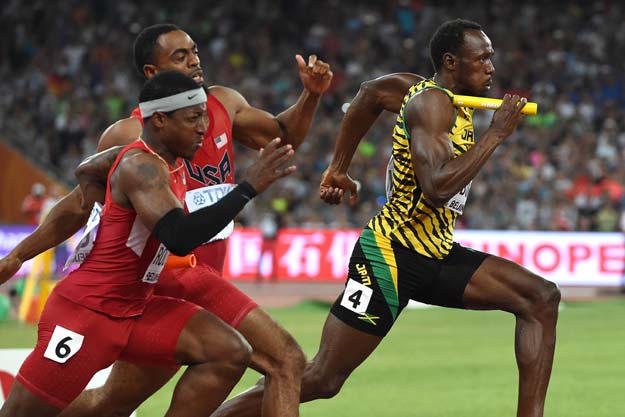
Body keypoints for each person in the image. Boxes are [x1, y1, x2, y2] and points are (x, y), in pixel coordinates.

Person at [211, 19, 560, 417]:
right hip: (390, 256)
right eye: (481, 58)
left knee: (540, 297)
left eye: (491, 58)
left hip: (434, 252)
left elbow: (369, 94)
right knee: (323, 378)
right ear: (451, 62)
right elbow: (437, 187)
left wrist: (338, 167)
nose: (491, 67)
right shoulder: (430, 103)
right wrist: (496, 135)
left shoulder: (414, 89)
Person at [0, 23, 332, 417]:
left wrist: (310, 96)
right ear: (152, 76)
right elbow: (86, 204)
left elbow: (279, 137)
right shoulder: (133, 144)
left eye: (194, 51)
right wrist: (20, 254)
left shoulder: (215, 111)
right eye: (180, 56)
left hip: (150, 295)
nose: (194, 60)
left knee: (119, 400)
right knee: (285, 360)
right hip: (146, 287)